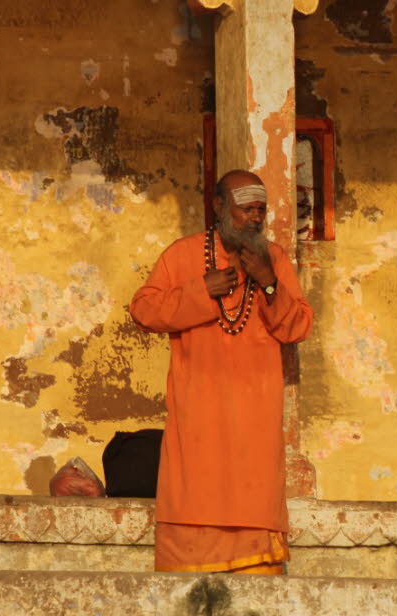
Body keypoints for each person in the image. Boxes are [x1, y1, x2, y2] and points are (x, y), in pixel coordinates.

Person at [130, 169, 313, 574]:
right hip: (198, 417)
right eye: (245, 208)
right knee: (192, 496)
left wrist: (268, 283)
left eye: (260, 210)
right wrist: (200, 290)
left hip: (254, 420)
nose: (254, 217)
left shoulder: (275, 260)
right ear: (218, 206)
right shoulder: (182, 255)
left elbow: (297, 326)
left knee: (254, 507)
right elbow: (143, 310)